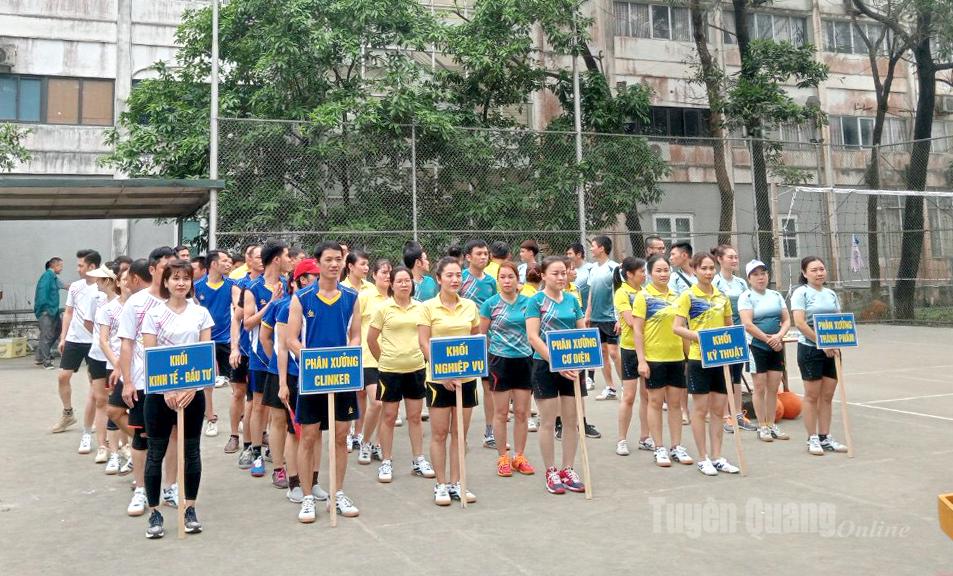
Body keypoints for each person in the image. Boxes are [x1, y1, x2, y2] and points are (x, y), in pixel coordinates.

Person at [285, 241, 362, 523]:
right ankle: (307, 497)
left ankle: (338, 492)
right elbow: (291, 339)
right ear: (317, 263)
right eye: (328, 259)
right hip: (312, 378)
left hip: (342, 375)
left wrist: (348, 354)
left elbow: (355, 334)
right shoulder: (302, 298)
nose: (334, 264)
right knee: (309, 437)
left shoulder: (352, 297)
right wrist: (311, 361)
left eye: (338, 259)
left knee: (341, 437)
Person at [140, 258, 214, 539]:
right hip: (160, 395)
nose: (181, 282)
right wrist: (168, 389)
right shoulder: (153, 314)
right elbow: (151, 354)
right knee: (156, 453)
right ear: (166, 282)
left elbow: (205, 352)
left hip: (191, 394)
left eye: (186, 278)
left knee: (191, 452)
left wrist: (192, 388)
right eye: (175, 278)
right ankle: (155, 512)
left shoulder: (201, 314)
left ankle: (190, 508)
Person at [418, 256, 480, 506]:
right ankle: (440, 484)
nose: (455, 280)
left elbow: (475, 338)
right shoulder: (428, 307)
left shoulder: (470, 306)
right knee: (440, 433)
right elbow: (423, 342)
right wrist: (442, 372)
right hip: (438, 381)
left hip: (466, 380)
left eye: (458, 275)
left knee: (460, 434)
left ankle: (458, 482)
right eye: (450, 275)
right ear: (439, 278)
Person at [117, 249, 174, 517]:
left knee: (175, 435)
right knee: (143, 437)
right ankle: (141, 488)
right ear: (152, 270)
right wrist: (128, 381)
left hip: (176, 382)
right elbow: (127, 343)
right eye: (166, 268)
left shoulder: (185, 301)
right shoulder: (136, 303)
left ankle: (171, 487)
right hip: (143, 382)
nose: (172, 274)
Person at [673, 252, 740, 477]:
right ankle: (703, 458)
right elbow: (677, 327)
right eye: (704, 268)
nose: (709, 272)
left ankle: (717, 456)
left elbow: (729, 327)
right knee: (700, 410)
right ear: (694, 269)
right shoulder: (688, 296)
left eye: (711, 268)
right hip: (698, 358)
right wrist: (699, 337)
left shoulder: (722, 297)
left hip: (720, 360)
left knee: (719, 410)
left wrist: (732, 343)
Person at [366, 266, 436, 483]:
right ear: (392, 284)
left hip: (416, 369)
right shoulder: (383, 309)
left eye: (407, 281)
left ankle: (418, 459)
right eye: (399, 281)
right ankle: (386, 461)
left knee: (415, 417)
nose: (404, 284)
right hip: (389, 372)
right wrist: (384, 359)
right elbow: (371, 339)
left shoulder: (421, 308)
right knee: (388, 417)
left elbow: (427, 336)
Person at [526, 256, 587, 495]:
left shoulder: (573, 300)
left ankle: (568, 469)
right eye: (555, 273)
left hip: (573, 369)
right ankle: (551, 471)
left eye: (564, 273)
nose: (561, 277)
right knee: (548, 421)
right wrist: (557, 361)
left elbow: (584, 333)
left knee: (572, 421)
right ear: (543, 276)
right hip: (545, 367)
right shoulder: (536, 301)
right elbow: (533, 337)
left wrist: (582, 361)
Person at [633, 255, 693, 467]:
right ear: (649, 273)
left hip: (676, 357)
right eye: (658, 270)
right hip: (654, 359)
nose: (663, 274)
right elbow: (637, 331)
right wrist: (642, 361)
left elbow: (684, 327)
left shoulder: (679, 296)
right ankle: (659, 447)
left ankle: (676, 446)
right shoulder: (643, 297)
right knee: (656, 402)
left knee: (676, 404)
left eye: (666, 270)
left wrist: (689, 357)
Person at [480, 261, 536, 478]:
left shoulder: (528, 303)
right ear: (498, 281)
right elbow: (482, 335)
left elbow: (534, 332)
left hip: (524, 360)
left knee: (522, 412)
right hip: (499, 362)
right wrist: (488, 357)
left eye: (510, 277)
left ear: (517, 280)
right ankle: (503, 457)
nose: (506, 281)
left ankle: (519, 456)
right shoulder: (490, 304)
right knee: (501, 413)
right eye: (502, 277)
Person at [273, 258, 321, 502]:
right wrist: (282, 383)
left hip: (317, 375)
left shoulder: (320, 301)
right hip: (293, 374)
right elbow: (282, 347)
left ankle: (313, 480)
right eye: (314, 275)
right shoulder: (286, 306)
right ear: (302, 279)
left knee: (317, 431)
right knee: (295, 431)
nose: (319, 278)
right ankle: (294, 482)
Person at [790, 256, 848, 456]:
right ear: (805, 273)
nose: (819, 273)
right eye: (814, 270)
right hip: (810, 349)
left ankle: (825, 436)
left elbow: (839, 320)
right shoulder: (801, 293)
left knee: (827, 395)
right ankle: (812, 437)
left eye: (821, 269)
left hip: (832, 350)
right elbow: (799, 322)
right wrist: (820, 343)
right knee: (812, 395)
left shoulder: (831, 293)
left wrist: (837, 342)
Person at [244, 240, 292, 478]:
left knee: (277, 411)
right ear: (276, 259)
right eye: (286, 256)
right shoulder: (253, 288)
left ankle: (279, 458)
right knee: (257, 406)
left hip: (279, 359)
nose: (290, 260)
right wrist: (270, 305)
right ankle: (255, 453)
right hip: (259, 356)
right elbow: (247, 323)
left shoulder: (287, 285)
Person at [738, 259, 791, 443]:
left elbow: (786, 320)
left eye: (763, 273)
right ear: (749, 278)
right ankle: (762, 426)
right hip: (756, 345)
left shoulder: (776, 295)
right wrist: (768, 339)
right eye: (755, 274)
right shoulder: (746, 297)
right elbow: (747, 324)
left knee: (773, 386)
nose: (760, 277)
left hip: (775, 345)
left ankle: (771, 423)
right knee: (759, 386)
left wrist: (779, 336)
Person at [53, 249, 102, 437]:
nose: (78, 269)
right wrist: (63, 337)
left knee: (94, 383)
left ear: (92, 266)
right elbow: (68, 312)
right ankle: (67, 414)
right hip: (74, 339)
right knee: (62, 377)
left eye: (80, 265)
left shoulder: (102, 287)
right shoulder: (75, 287)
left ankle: (99, 418)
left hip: (95, 342)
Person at [711, 244, 757, 433]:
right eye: (730, 257)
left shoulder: (741, 283)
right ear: (720, 259)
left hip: (739, 334)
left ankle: (738, 414)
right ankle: (724, 416)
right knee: (723, 375)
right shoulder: (715, 282)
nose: (735, 260)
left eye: (736, 257)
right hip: (722, 334)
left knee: (737, 375)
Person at [612, 257, 653, 456]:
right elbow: (630, 321)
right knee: (629, 396)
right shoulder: (622, 293)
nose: (644, 275)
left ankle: (645, 437)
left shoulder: (645, 293)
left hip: (649, 348)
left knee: (647, 395)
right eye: (641, 272)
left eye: (645, 271)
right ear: (629, 274)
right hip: (629, 349)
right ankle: (621, 439)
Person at [460, 239, 498, 450]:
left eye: (486, 253)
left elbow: (494, 309)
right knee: (463, 386)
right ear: (468, 257)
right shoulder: (460, 278)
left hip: (486, 341)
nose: (483, 257)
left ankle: (490, 432)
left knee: (489, 387)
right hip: (463, 342)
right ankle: (459, 434)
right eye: (479, 254)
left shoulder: (491, 281)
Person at [94, 264, 131, 475]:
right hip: (114, 366)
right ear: (118, 282)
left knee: (132, 411)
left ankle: (132, 449)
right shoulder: (108, 309)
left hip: (136, 369)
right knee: (114, 411)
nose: (127, 284)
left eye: (130, 279)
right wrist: (118, 363)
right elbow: (103, 340)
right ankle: (114, 453)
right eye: (123, 280)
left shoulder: (140, 307)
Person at [194, 250, 235, 439]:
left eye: (229, 261)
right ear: (213, 264)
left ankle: (240, 416)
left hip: (226, 340)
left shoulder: (232, 285)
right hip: (205, 340)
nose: (229, 263)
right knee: (207, 383)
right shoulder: (197, 287)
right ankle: (210, 418)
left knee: (237, 382)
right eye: (225, 261)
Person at [354, 259, 391, 461]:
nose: (387, 276)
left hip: (392, 360)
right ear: (374, 275)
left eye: (389, 273)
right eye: (383, 272)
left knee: (388, 408)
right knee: (376, 403)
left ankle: (377, 444)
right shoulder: (365, 296)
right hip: (368, 358)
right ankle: (365, 442)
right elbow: (354, 326)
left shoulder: (396, 299)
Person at [85, 263, 122, 466]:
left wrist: (117, 361)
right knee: (100, 401)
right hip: (97, 357)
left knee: (117, 405)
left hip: (117, 361)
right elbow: (91, 326)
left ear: (108, 281)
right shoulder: (98, 302)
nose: (96, 283)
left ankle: (119, 446)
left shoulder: (124, 304)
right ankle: (102, 445)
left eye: (100, 279)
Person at [228, 244, 261, 462]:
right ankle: (235, 436)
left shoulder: (280, 284)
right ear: (248, 260)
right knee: (241, 394)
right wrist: (235, 347)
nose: (261, 260)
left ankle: (260, 436)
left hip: (263, 352)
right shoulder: (242, 285)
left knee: (259, 400)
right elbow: (237, 319)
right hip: (247, 349)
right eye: (258, 257)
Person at [586, 236, 621, 404]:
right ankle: (611, 388)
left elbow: (619, 294)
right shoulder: (593, 269)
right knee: (603, 353)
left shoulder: (615, 268)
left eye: (593, 246)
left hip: (611, 319)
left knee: (614, 353)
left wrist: (619, 318)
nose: (591, 249)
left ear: (601, 248)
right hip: (595, 319)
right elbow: (592, 292)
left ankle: (626, 385)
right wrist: (587, 313)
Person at [35, 257, 64, 369]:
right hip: (46, 311)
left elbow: (64, 286)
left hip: (53, 310)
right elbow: (42, 293)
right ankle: (46, 361)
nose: (61, 268)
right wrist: (44, 310)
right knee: (46, 336)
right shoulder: (47, 276)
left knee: (57, 331)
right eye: (60, 266)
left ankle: (39, 356)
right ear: (54, 266)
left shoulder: (54, 277)